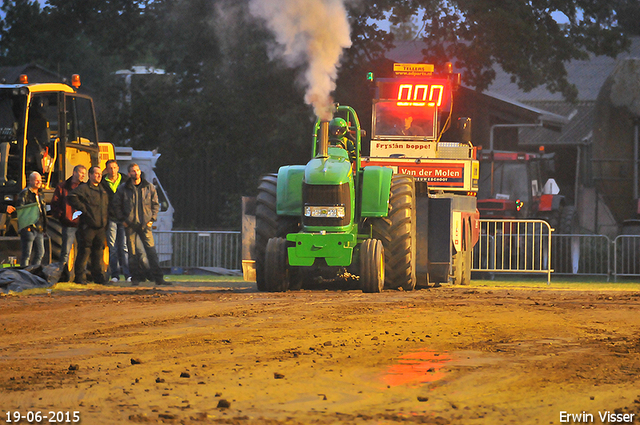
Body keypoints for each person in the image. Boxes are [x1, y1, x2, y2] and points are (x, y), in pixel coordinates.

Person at [114, 163, 170, 286]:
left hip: (145, 225)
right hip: (130, 225)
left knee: (151, 252)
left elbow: (155, 204)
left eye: (137, 170)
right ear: (129, 174)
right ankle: (135, 278)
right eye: (133, 171)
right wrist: (123, 220)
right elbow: (116, 205)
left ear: (140, 172)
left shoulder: (149, 187)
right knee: (132, 253)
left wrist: (152, 219)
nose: (136, 173)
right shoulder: (123, 188)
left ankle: (158, 278)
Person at [68, 166, 109, 285]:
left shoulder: (103, 190)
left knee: (98, 253)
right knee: (84, 252)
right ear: (90, 175)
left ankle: (98, 277)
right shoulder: (84, 188)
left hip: (100, 227)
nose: (99, 176)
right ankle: (80, 278)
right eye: (96, 174)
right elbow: (71, 197)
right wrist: (83, 209)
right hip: (88, 227)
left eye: (100, 174)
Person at [51, 164, 86, 278]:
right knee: (65, 250)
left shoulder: (85, 188)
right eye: (81, 173)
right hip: (69, 223)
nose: (83, 175)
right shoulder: (62, 187)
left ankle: (79, 276)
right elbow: (55, 203)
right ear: (74, 173)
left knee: (82, 251)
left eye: (84, 174)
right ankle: (62, 275)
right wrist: (62, 216)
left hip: (83, 224)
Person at [101, 159, 131, 283]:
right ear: (106, 169)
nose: (112, 170)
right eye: (110, 168)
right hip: (110, 219)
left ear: (118, 168)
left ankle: (128, 274)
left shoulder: (125, 181)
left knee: (124, 247)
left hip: (123, 219)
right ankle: (114, 275)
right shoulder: (102, 182)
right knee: (112, 247)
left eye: (114, 167)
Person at [16, 172, 47, 266]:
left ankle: (33, 273)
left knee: (40, 253)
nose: (39, 182)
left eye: (40, 180)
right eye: (36, 180)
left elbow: (42, 210)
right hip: (29, 228)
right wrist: (27, 227)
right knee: (27, 254)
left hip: (39, 227)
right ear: (30, 181)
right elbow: (21, 210)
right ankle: (24, 275)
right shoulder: (25, 193)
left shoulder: (40, 194)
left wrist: (44, 226)